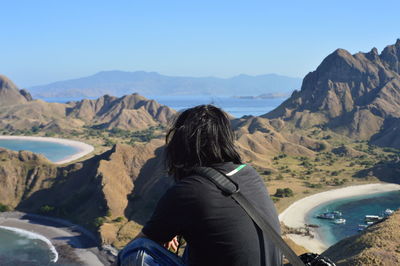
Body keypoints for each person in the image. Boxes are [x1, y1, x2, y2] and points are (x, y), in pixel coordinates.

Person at [135, 105, 282, 266]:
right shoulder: (250, 173)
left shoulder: (187, 191)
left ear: (180, 144)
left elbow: (142, 242)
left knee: (136, 250)